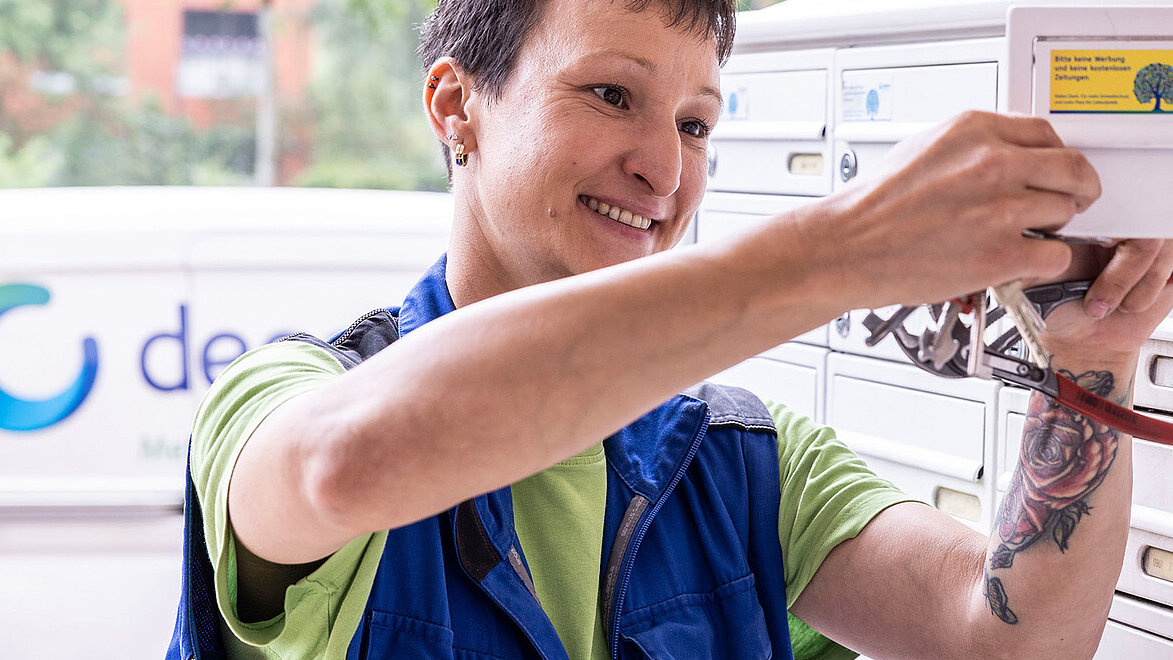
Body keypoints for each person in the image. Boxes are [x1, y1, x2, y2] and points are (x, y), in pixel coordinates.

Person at [168, 0, 1173, 658]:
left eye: (696, 124)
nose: (665, 169)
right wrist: (838, 252)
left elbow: (1007, 642)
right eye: (612, 95)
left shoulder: (744, 466)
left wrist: (1089, 363)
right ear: (456, 105)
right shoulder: (278, 401)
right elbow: (349, 465)